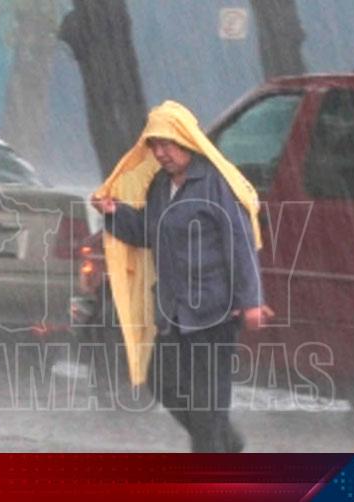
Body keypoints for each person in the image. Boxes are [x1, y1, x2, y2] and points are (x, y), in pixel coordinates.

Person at [91, 101, 272, 452]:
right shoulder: (160, 186)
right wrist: (115, 214)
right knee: (162, 380)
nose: (161, 153)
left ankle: (214, 448)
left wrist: (251, 301)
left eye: (167, 144)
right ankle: (224, 440)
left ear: (187, 141)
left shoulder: (215, 184)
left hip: (215, 311)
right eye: (155, 146)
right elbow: (151, 231)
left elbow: (240, 242)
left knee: (207, 403)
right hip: (174, 312)